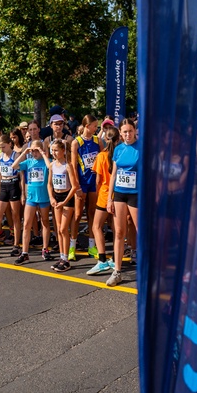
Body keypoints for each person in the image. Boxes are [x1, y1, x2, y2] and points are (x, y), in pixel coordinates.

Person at [106, 118, 140, 287]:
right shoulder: (118, 149)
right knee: (119, 232)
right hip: (120, 194)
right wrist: (109, 198)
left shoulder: (141, 148)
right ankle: (117, 271)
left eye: (130, 131)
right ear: (120, 132)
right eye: (124, 131)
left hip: (136, 194)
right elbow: (113, 175)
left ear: (135, 131)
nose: (127, 134)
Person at [87, 126, 119, 276]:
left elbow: (98, 179)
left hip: (104, 194)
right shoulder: (120, 155)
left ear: (106, 139)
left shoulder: (101, 156)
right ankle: (114, 257)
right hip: (118, 195)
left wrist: (98, 194)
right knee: (116, 228)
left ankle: (102, 260)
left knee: (96, 226)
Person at [71, 115, 102, 261]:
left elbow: (102, 160)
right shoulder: (76, 142)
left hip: (94, 182)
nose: (96, 128)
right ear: (87, 126)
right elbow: (73, 165)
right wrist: (76, 185)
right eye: (95, 126)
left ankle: (92, 245)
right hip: (82, 182)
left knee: (92, 213)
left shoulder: (98, 141)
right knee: (77, 215)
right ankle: (71, 246)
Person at [48, 139, 79, 273]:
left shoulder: (68, 165)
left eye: (56, 150)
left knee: (63, 229)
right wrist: (51, 197)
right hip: (57, 198)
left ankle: (66, 259)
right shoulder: (52, 165)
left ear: (62, 151)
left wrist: (65, 202)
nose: (54, 153)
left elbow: (74, 186)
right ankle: (62, 257)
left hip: (67, 199)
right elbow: (49, 184)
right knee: (59, 230)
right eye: (52, 150)